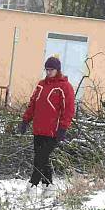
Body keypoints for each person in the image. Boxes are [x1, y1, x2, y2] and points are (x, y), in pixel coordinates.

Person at [17, 56, 76, 195]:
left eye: (52, 70)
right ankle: (48, 186)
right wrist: (25, 120)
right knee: (41, 157)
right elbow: (33, 104)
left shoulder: (64, 86)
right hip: (38, 128)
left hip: (53, 130)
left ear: (58, 70)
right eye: (47, 69)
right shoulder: (41, 85)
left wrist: (63, 127)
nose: (49, 72)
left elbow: (69, 109)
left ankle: (33, 185)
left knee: (41, 158)